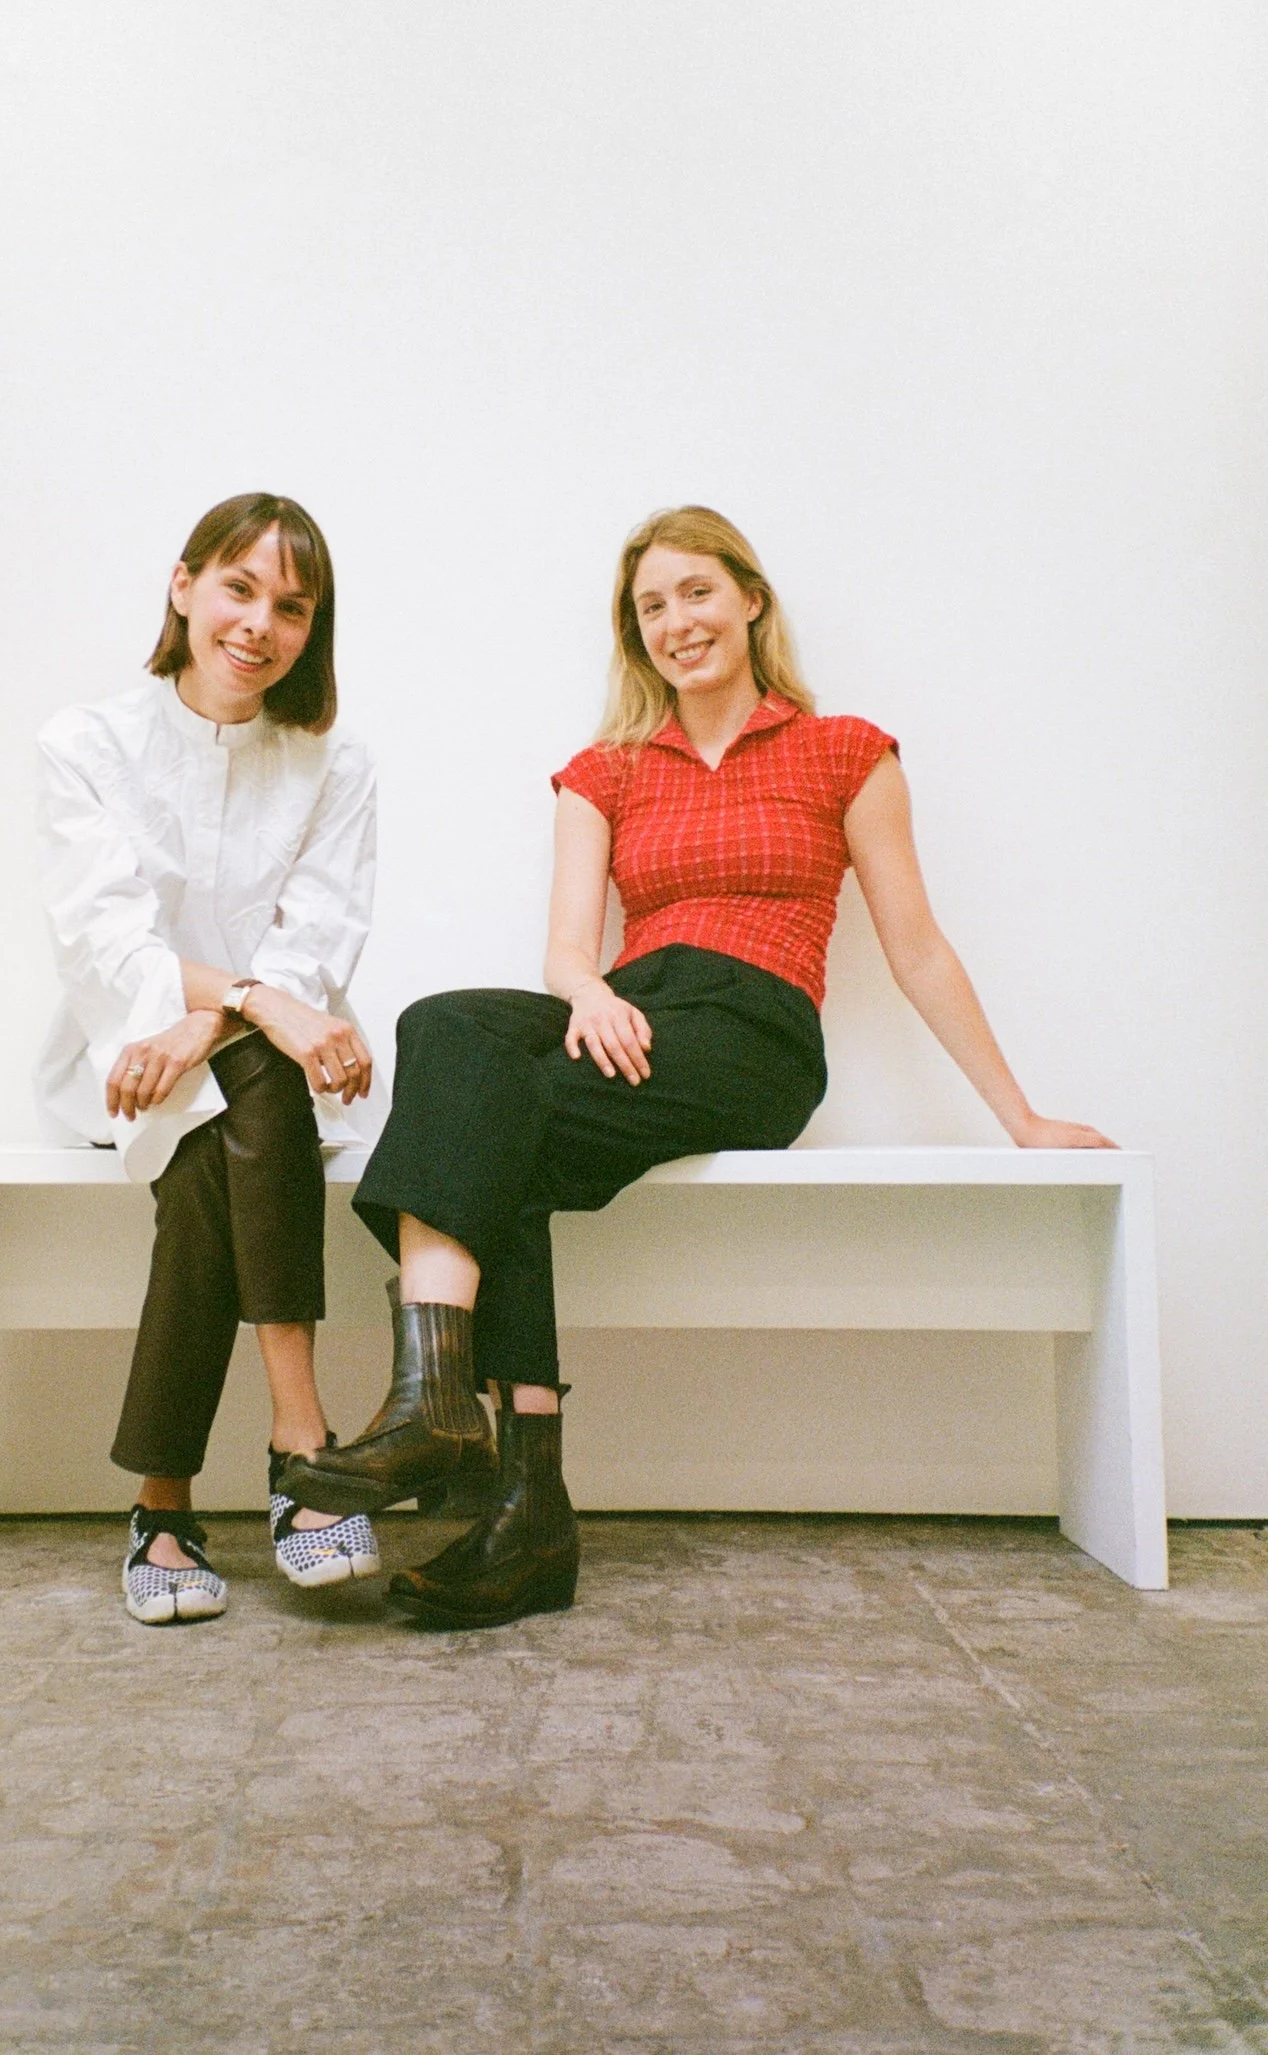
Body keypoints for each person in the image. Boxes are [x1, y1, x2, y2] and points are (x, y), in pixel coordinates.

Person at [283, 504, 1115, 1628]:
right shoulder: (607, 770)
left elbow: (917, 946)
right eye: (652, 607)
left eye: (697, 592)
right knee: (449, 1029)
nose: (678, 622)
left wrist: (1019, 1116)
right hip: (628, 1013)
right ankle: (484, 1460)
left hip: (753, 1030)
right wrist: (588, 993)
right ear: (637, 635)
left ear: (751, 598)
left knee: (497, 1118)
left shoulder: (846, 752)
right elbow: (569, 946)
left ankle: (459, 1429)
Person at [35, 491, 386, 1624]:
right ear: (184, 585)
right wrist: (240, 1002)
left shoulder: (333, 764)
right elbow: (108, 939)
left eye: (292, 605)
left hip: (255, 1081)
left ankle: (165, 1503)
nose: (260, 624)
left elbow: (316, 939)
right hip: (125, 1062)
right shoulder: (86, 744)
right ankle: (304, 1446)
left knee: (238, 1111)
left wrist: (225, 1023)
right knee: (253, 1078)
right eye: (239, 587)